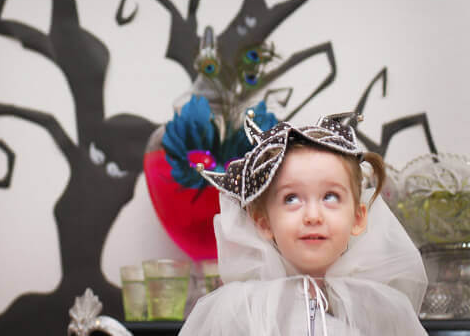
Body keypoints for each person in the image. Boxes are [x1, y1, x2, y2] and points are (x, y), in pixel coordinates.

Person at [179, 112, 428, 335]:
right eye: (291, 199)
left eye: (330, 197)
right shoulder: (239, 309)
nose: (312, 216)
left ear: (358, 217)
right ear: (263, 222)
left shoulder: (380, 310)